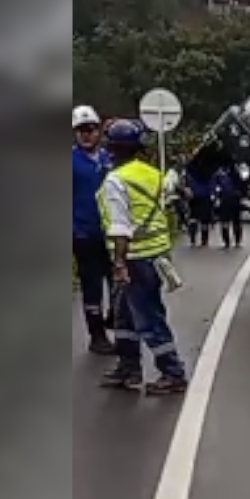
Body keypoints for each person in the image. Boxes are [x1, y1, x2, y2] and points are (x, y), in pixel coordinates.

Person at [96, 119, 188, 395]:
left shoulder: (116, 180)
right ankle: (128, 367)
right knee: (124, 316)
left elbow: (121, 226)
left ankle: (173, 373)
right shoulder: (153, 174)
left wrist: (120, 263)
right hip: (157, 256)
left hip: (134, 259)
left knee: (148, 318)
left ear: (111, 149)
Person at [72, 104, 115, 355]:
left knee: (118, 284)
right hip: (84, 234)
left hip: (111, 233)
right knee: (92, 288)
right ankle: (96, 335)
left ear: (99, 131)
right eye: (81, 130)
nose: (86, 134)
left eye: (90, 129)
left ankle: (117, 324)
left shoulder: (109, 158)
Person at [213, 165, 246, 248]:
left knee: (235, 222)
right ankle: (228, 242)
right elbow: (215, 186)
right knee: (226, 222)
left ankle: (236, 242)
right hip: (225, 200)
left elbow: (242, 185)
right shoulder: (219, 175)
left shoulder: (235, 173)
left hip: (233, 199)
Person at [184, 165, 215, 247]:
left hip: (202, 197)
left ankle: (201, 240)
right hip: (196, 197)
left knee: (201, 220)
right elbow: (187, 183)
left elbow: (212, 183)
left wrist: (212, 194)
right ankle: (196, 239)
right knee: (195, 219)